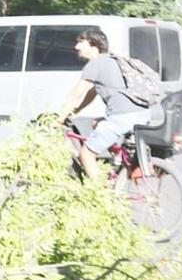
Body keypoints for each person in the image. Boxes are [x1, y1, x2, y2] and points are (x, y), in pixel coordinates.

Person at [58, 29, 150, 179]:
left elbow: (76, 93)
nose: (76, 46)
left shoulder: (96, 64)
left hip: (123, 117)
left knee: (86, 154)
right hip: (142, 114)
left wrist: (59, 118)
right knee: (96, 124)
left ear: (93, 46)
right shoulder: (112, 60)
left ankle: (100, 193)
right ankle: (118, 164)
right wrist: (74, 112)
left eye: (81, 42)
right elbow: (91, 93)